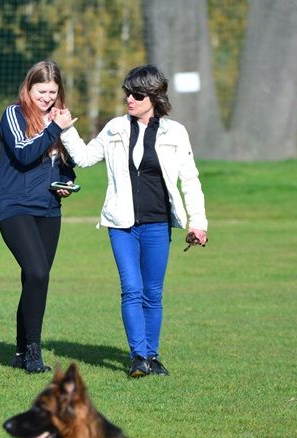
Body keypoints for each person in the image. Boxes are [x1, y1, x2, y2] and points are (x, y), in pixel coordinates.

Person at [59, 64, 208, 378]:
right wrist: (66, 130)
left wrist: (198, 222)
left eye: (137, 95)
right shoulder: (115, 128)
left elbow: (190, 179)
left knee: (153, 293)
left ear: (154, 96)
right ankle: (138, 356)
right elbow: (84, 158)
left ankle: (152, 356)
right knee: (131, 289)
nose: (130, 99)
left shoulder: (175, 132)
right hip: (120, 223)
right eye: (127, 93)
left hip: (157, 223)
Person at [0, 60, 77, 373]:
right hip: (15, 208)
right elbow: (24, 152)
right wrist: (55, 127)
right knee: (38, 272)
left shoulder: (59, 118)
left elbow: (66, 164)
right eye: (41, 91)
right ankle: (33, 352)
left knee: (35, 279)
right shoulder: (13, 114)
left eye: (52, 92)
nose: (47, 98)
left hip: (49, 210)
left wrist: (66, 181)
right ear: (28, 88)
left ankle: (20, 351)